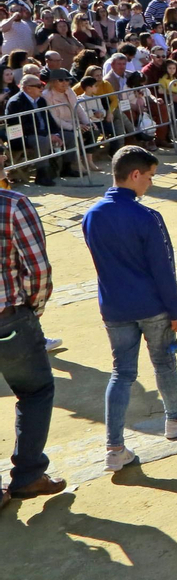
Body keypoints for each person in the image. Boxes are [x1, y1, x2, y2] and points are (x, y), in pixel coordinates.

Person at [82, 145, 177, 471]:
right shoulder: (147, 217)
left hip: (114, 307)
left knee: (121, 374)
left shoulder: (92, 215)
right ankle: (176, 417)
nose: (150, 184)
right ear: (135, 175)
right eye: (149, 177)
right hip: (152, 305)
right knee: (164, 363)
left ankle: (114, 447)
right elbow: (163, 268)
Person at [0, 181, 65, 510]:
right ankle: (27, 475)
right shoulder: (12, 204)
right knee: (35, 391)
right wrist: (32, 311)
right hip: (9, 319)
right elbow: (37, 269)